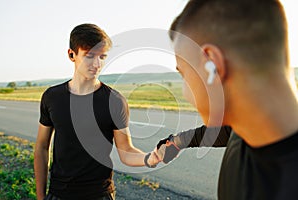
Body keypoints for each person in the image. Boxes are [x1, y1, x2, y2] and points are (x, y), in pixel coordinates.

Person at [156, 0, 298, 199]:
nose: (185, 92)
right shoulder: (247, 130)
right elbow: (224, 133)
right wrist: (178, 142)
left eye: (184, 74)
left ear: (212, 64)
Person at [34, 23, 160, 200]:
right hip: (58, 194)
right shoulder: (52, 97)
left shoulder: (115, 101)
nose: (97, 64)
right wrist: (40, 197)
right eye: (89, 56)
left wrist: (150, 158)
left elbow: (125, 150)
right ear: (72, 55)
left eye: (102, 57)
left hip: (99, 194)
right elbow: (41, 147)